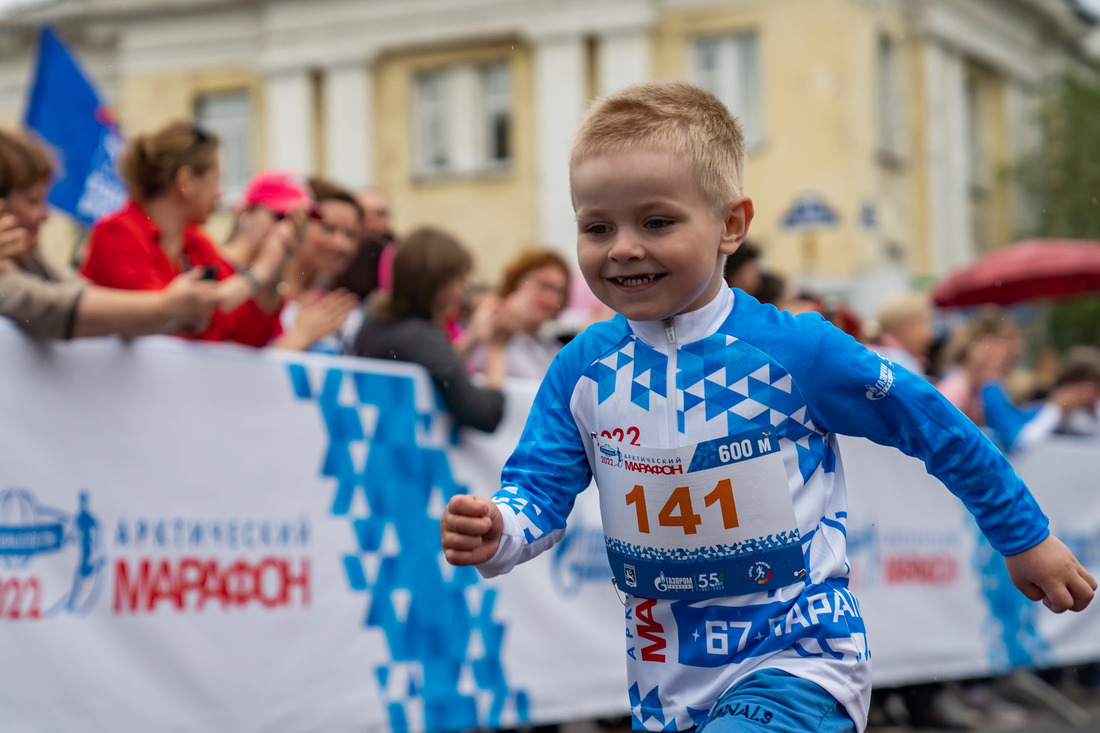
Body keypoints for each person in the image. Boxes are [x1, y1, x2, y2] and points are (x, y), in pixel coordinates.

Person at [439, 81, 1094, 733]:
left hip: (802, 663)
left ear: (731, 224)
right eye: (597, 226)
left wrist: (1023, 534)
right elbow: (538, 488)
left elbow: (936, 424)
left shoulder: (799, 350)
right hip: (668, 689)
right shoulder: (581, 368)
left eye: (656, 221)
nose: (623, 247)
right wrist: (500, 526)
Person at [79, 121, 297, 347]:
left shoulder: (196, 243)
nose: (220, 193)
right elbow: (167, 322)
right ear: (186, 182)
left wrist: (275, 265)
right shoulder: (116, 233)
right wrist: (260, 271)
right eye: (216, 181)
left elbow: (246, 334)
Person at [0, 128, 219, 339]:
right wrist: (167, 307)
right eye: (32, 201)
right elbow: (50, 305)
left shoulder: (196, 241)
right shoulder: (117, 232)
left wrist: (30, 258)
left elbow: (76, 290)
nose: (45, 215)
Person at [350, 226, 514, 433]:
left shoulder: (377, 318)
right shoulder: (420, 336)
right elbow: (485, 414)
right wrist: (498, 347)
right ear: (437, 282)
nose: (462, 291)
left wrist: (473, 337)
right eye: (459, 281)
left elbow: (435, 367)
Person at [466, 246, 571, 380]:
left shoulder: (553, 349)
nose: (550, 298)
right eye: (543, 285)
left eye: (559, 291)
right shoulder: (486, 335)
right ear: (516, 283)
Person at [869, 290, 936, 378]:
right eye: (926, 324)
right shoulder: (900, 364)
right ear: (905, 328)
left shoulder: (876, 354)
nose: (931, 334)